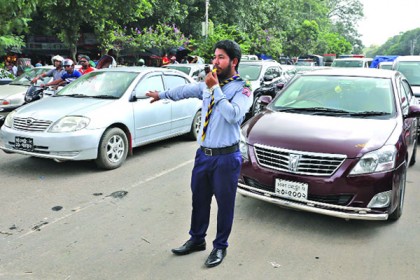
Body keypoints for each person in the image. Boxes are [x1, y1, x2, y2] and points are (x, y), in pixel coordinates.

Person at [146, 40, 252, 268]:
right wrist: (162, 94)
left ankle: (220, 246)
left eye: (221, 57)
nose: (215, 61)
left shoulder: (243, 89)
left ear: (234, 61)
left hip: (226, 157)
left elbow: (233, 115)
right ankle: (197, 239)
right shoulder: (207, 84)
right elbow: (186, 90)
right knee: (199, 200)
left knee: (225, 205)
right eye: (215, 57)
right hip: (203, 155)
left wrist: (215, 89)